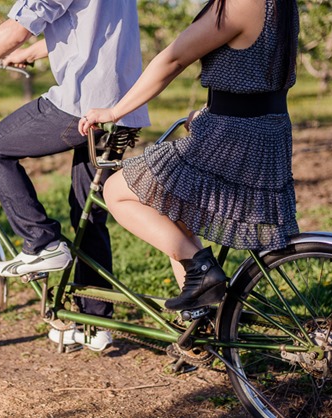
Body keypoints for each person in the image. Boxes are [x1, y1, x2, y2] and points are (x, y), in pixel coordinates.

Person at [0, 1, 150, 350]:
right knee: (88, 212)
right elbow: (88, 30)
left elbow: (19, 25)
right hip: (122, 104)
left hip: (81, 103)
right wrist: (35, 51)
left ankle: (41, 242)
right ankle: (93, 321)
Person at [79, 0, 300, 311]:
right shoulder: (281, 4)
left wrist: (115, 111)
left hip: (236, 138)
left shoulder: (242, 2)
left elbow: (174, 59)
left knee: (117, 191)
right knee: (173, 209)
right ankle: (201, 319)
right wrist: (211, 112)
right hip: (262, 129)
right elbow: (254, 72)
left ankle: (204, 272)